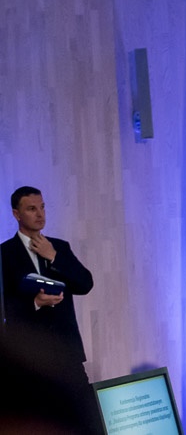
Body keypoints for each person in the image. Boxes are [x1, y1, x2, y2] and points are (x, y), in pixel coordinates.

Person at [0, 186, 101, 434]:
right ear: (16, 214)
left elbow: (85, 284)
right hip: (29, 360)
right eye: (32, 209)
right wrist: (34, 303)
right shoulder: (4, 254)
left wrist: (54, 256)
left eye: (42, 207)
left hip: (67, 354)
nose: (40, 214)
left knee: (88, 422)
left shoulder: (59, 247)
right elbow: (4, 307)